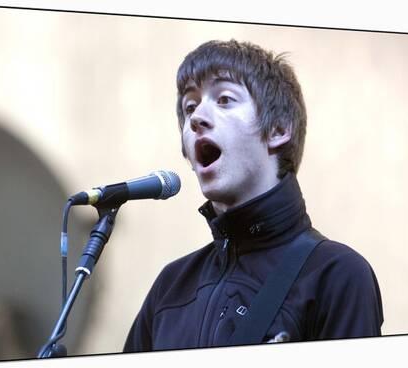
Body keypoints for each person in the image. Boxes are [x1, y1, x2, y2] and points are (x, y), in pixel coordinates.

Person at [123, 39, 383, 352]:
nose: (196, 118)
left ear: (277, 130)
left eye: (224, 100)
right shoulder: (171, 287)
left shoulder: (336, 275)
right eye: (189, 107)